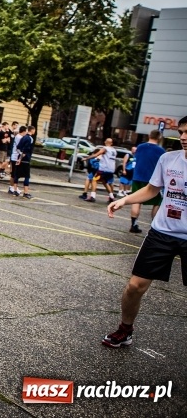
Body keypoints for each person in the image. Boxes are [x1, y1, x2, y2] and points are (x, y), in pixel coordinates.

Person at [102, 115, 187, 348]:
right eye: (181, 132)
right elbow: (151, 189)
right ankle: (125, 329)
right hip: (162, 233)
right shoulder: (168, 159)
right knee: (134, 286)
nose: (183, 137)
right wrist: (125, 200)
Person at [128, 130, 166, 233]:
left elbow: (136, 158)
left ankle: (133, 224)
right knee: (158, 202)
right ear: (159, 137)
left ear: (149, 135)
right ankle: (155, 226)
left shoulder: (140, 147)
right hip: (152, 179)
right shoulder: (161, 151)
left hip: (138, 177)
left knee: (136, 200)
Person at [83, 138, 118, 202]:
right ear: (111, 143)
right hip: (111, 170)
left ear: (105, 142)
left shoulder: (105, 148)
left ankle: (92, 196)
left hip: (103, 169)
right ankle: (111, 197)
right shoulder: (114, 150)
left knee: (94, 180)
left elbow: (96, 154)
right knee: (105, 182)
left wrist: (86, 158)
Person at [8, 126, 34, 198]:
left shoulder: (19, 137)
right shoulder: (27, 138)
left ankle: (14, 189)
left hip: (17, 157)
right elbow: (25, 149)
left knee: (15, 174)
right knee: (25, 176)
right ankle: (16, 189)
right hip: (21, 158)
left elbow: (18, 147)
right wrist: (21, 156)